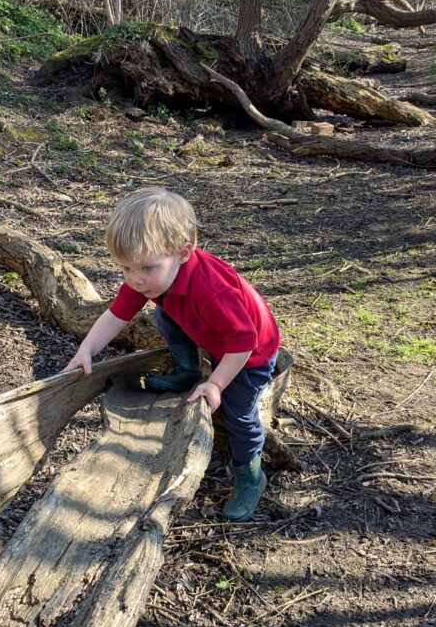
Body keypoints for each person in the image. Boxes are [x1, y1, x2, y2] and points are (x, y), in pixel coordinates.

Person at [63, 187, 280, 521]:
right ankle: (187, 368)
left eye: (147, 268)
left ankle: (250, 476)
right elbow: (115, 315)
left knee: (238, 414)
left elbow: (243, 343)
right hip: (213, 334)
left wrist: (217, 384)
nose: (135, 279)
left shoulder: (211, 289)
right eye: (125, 268)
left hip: (249, 354)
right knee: (163, 311)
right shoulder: (150, 278)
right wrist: (86, 350)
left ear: (183, 252)